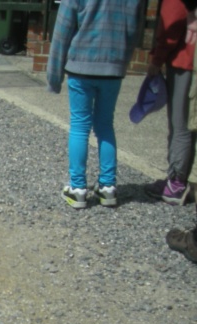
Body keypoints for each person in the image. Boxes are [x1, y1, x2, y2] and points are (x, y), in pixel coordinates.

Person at [47, 0, 144, 209]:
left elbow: (62, 32)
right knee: (105, 125)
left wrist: (54, 77)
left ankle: (78, 189)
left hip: (80, 66)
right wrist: (122, 63)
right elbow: (136, 31)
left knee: (80, 126)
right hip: (113, 68)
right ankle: (108, 187)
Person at [145, 0, 197, 205]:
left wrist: (156, 61)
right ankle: (177, 178)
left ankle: (176, 182)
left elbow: (171, 25)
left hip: (185, 62)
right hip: (189, 60)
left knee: (180, 125)